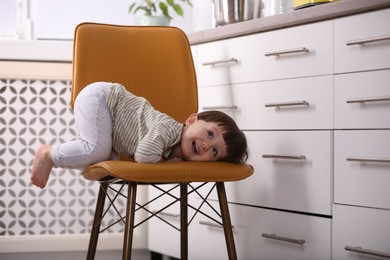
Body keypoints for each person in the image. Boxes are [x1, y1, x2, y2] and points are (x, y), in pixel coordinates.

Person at [31, 82, 248, 189]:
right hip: (102, 98)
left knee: (104, 159)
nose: (206, 145)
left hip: (111, 122)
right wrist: (165, 162)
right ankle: (48, 154)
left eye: (215, 151)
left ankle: (53, 156)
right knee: (97, 150)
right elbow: (143, 155)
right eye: (210, 134)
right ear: (191, 120)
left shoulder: (175, 148)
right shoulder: (168, 129)